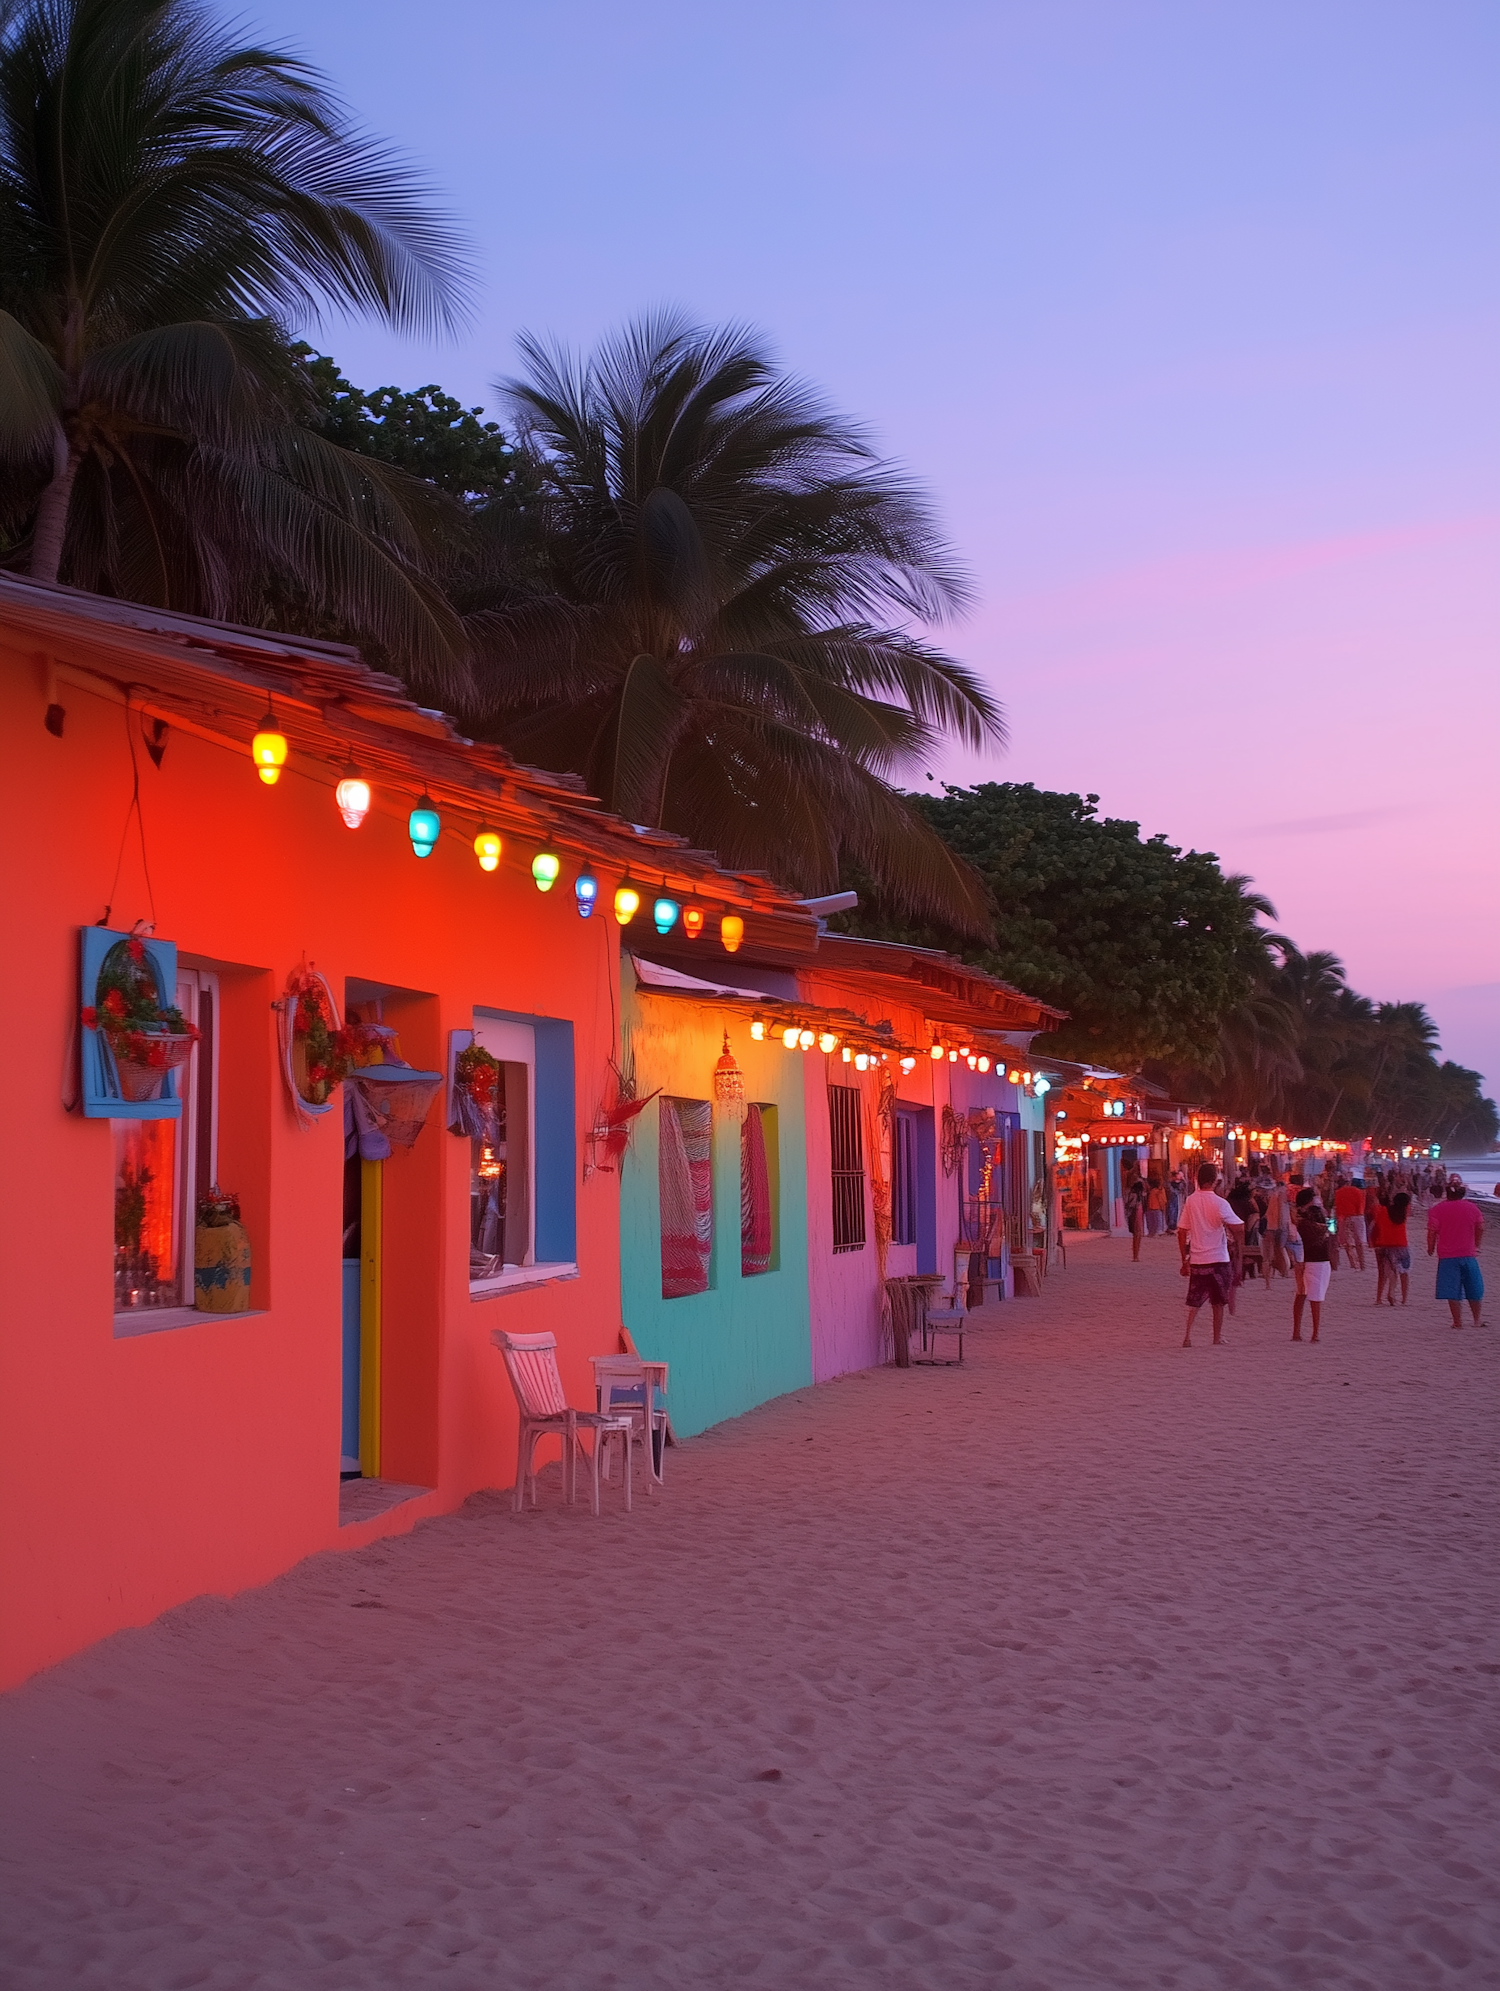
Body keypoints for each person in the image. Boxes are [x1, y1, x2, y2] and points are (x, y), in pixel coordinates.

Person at [1177, 1160, 1244, 1347]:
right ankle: (1216, 1337)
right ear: (1214, 1180)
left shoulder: (1191, 1201)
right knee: (1218, 1302)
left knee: (1194, 1301)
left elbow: (1181, 1231)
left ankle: (1187, 1335)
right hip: (1219, 1258)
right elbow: (1239, 1227)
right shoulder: (1220, 1203)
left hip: (1198, 1258)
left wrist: (1184, 1259)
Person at [1426, 1177, 1486, 1329]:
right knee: (1474, 1288)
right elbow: (1480, 1227)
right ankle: (1476, 1320)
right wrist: (1477, 1244)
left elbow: (1432, 1231)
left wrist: (1430, 1248)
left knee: (1452, 1289)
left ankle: (1457, 1321)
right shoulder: (1472, 1207)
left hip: (1447, 1255)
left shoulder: (1437, 1209)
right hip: (1468, 1253)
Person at [1292, 1188, 1333, 1342]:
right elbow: (1329, 1233)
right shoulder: (1313, 1217)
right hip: (1317, 1260)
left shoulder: (1297, 1218)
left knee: (1300, 1294)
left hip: (1302, 1260)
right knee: (1315, 1297)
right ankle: (1315, 1334)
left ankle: (1296, 1332)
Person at [1370, 1192, 1411, 1306]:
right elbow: (1405, 1202)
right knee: (1404, 1272)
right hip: (1401, 1244)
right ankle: (1404, 1299)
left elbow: (1374, 1210)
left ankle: (1379, 1298)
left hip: (1384, 1244)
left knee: (1384, 1273)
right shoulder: (1404, 1211)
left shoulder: (1381, 1210)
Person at [1333, 1175, 1368, 1272]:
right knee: (1359, 1242)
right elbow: (1360, 1205)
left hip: (1344, 1217)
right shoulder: (1357, 1191)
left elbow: (1337, 1208)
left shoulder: (1337, 1193)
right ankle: (1362, 1264)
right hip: (1357, 1216)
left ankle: (1353, 1263)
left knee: (1347, 1242)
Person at [1125, 1170, 1148, 1261]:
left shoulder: (1128, 1190)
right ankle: (1136, 1256)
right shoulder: (1137, 1191)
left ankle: (1135, 1255)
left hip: (1132, 1210)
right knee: (1137, 1233)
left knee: (1136, 1233)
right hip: (1137, 1210)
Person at [1145, 1171, 1168, 1238]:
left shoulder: (1151, 1191)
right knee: (1158, 1221)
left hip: (1151, 1207)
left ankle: (1152, 1232)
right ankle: (1158, 1232)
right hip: (1158, 1208)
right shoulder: (1160, 1191)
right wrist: (1163, 1207)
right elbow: (1162, 1200)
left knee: (1152, 1222)